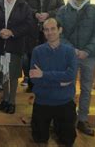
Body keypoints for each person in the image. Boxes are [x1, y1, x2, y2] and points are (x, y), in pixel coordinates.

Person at [56, 0, 95, 136]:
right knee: (67, 85)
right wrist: (73, 50)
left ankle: (82, 119)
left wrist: (87, 51)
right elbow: (59, 33)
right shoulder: (63, 10)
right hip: (70, 54)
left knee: (86, 88)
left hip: (89, 56)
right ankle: (67, 117)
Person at [29, 18, 77, 146]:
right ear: (43, 32)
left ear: (60, 30)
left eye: (53, 29)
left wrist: (44, 74)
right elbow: (34, 78)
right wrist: (59, 82)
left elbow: (70, 75)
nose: (49, 32)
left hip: (64, 101)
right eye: (46, 30)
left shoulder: (70, 51)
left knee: (67, 140)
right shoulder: (37, 51)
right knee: (39, 139)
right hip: (43, 101)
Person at [0, 0, 33, 114]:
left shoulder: (24, 6)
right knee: (3, 72)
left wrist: (12, 32)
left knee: (13, 74)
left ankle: (12, 101)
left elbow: (28, 25)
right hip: (0, 44)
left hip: (15, 44)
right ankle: (5, 99)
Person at [20, 0, 64, 92]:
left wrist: (48, 14)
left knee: (48, 55)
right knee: (31, 55)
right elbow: (23, 5)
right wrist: (35, 13)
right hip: (32, 27)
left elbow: (61, 6)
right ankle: (32, 84)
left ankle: (47, 82)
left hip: (49, 28)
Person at [18, 0, 38, 87]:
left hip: (38, 25)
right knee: (24, 54)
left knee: (36, 53)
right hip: (23, 23)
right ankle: (26, 76)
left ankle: (35, 78)